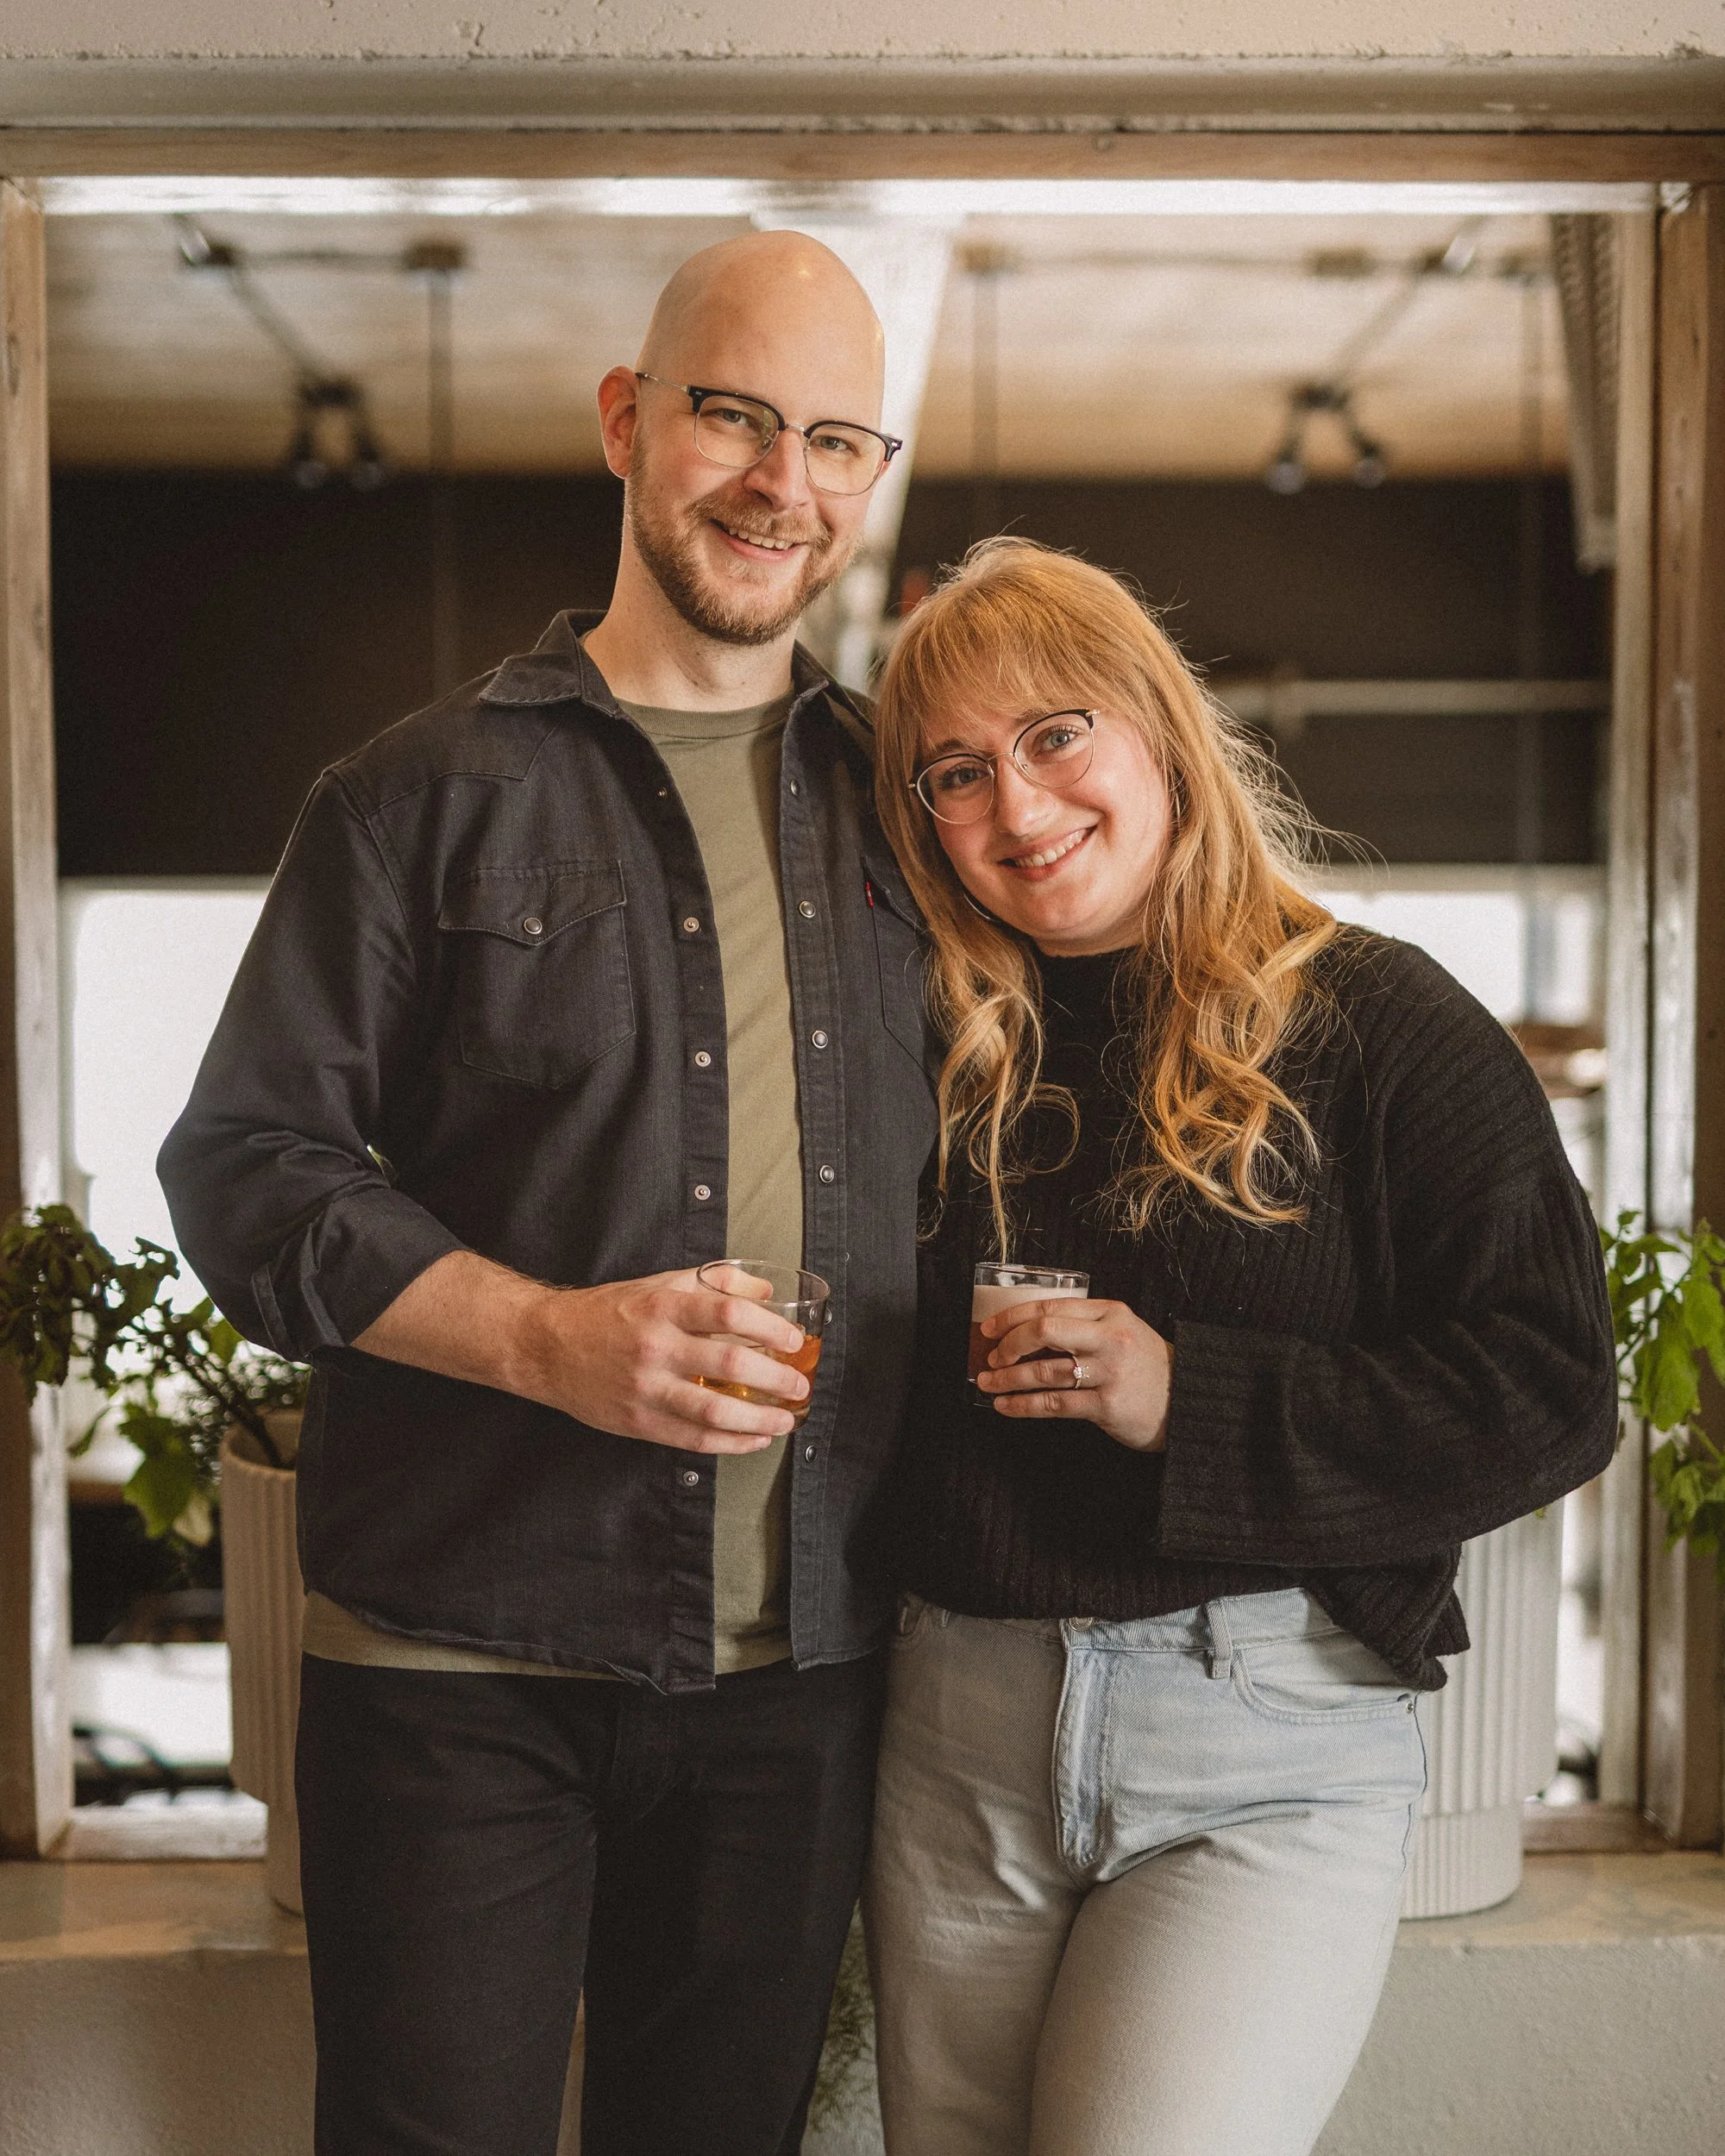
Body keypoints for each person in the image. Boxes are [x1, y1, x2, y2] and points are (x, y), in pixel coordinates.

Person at [158, 231, 938, 2156]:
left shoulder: (918, 813)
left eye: (836, 438)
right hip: (454, 1672)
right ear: (627, 419)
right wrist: (547, 1338)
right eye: (736, 416)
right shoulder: (415, 795)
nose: (783, 480)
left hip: (803, 1681)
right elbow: (245, 1168)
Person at [863, 538, 1617, 2156]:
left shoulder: (1381, 1021)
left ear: (1157, 728)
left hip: (1266, 1743)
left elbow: (1553, 1389)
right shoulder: (916, 1040)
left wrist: (1185, 1398)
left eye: (1058, 734)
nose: (1016, 805)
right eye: (955, 774)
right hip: (953, 1741)